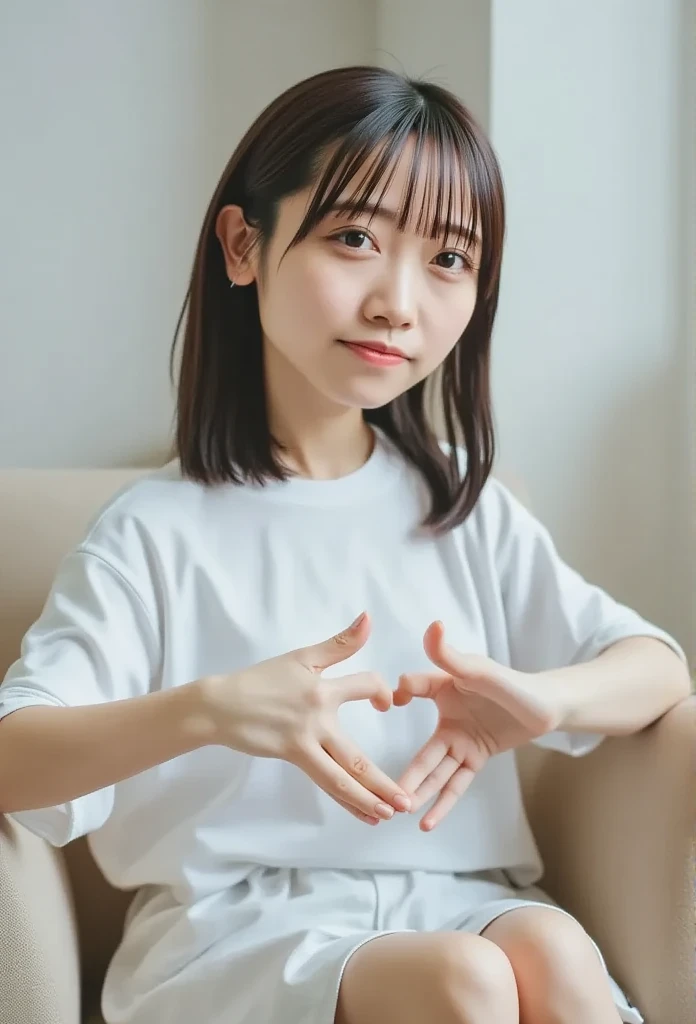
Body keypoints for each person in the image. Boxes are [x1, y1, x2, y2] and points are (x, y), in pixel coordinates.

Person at [0, 65, 689, 1024]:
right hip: (233, 941)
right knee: (466, 983)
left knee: (551, 946)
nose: (397, 303)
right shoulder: (152, 535)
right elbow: (12, 759)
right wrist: (210, 710)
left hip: (466, 905)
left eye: (449, 258)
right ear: (244, 246)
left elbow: (657, 668)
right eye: (356, 238)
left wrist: (539, 702)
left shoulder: (463, 503)